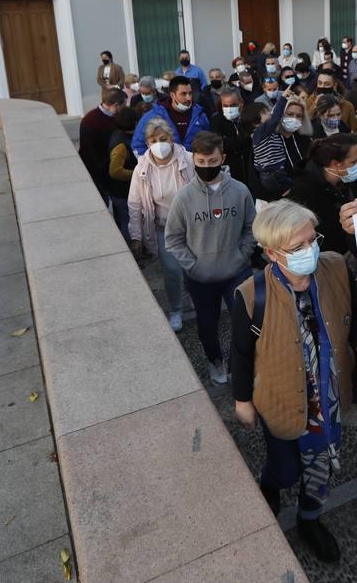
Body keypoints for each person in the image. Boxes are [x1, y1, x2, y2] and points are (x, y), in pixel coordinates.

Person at [231, 200, 357, 563]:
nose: (310, 251)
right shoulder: (251, 294)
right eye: (298, 247)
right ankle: (272, 482)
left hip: (328, 402)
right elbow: (242, 354)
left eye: (313, 240)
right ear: (272, 253)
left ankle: (310, 519)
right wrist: (242, 400)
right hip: (279, 400)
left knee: (320, 468)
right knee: (286, 468)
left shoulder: (336, 268)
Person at [165, 132, 257, 385]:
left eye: (212, 161)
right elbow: (173, 239)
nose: (207, 167)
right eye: (201, 162)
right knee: (207, 326)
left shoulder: (240, 191)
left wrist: (242, 255)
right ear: (194, 160)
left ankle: (246, 365)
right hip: (200, 277)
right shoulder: (183, 198)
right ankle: (215, 360)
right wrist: (194, 266)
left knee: (246, 323)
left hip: (236, 271)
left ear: (222, 158)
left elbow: (252, 227)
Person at [127, 117, 195, 330]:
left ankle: (197, 300)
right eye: (152, 140)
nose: (158, 144)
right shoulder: (142, 169)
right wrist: (136, 237)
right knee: (172, 270)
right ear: (146, 143)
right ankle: (175, 309)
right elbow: (135, 204)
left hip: (191, 227)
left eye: (162, 138)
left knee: (194, 268)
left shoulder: (188, 160)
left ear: (171, 138)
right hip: (163, 228)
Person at [288, 133, 357, 257]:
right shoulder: (304, 191)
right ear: (336, 164)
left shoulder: (349, 179)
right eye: (354, 162)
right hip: (327, 258)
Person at [132, 75, 211, 156]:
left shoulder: (200, 115)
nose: (189, 98)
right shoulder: (152, 116)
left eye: (190, 93)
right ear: (172, 95)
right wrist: (153, 164)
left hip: (193, 166)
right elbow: (138, 146)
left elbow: (208, 142)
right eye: (183, 94)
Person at [252, 93, 311, 200]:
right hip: (277, 200)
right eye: (289, 114)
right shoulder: (267, 140)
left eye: (298, 116)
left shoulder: (305, 140)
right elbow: (257, 177)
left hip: (305, 195)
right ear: (280, 115)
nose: (294, 119)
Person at [78, 88, 126, 202]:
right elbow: (88, 153)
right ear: (115, 105)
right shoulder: (90, 121)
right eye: (123, 106)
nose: (124, 109)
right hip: (99, 174)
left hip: (114, 171)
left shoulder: (116, 117)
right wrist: (102, 173)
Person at [106, 106, 140, 246]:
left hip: (124, 191)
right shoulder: (121, 145)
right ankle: (131, 252)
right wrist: (137, 174)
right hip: (122, 192)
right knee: (127, 224)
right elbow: (115, 171)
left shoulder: (120, 135)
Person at [208, 87, 252, 186]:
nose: (229, 108)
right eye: (225, 106)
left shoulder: (247, 118)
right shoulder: (216, 120)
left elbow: (252, 142)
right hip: (230, 172)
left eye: (233, 105)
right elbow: (220, 144)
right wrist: (244, 141)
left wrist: (231, 142)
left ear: (241, 103)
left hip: (249, 170)